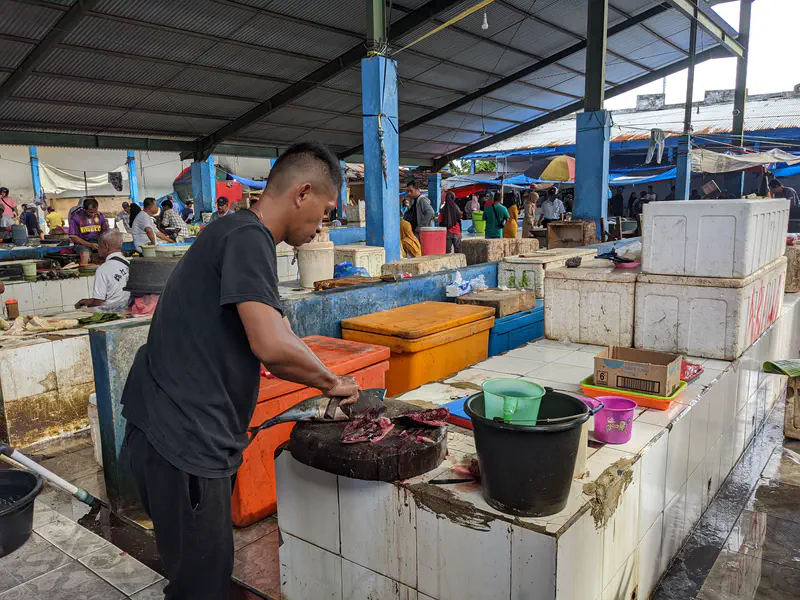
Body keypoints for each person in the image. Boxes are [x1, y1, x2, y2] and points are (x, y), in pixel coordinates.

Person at [119, 141, 360, 600]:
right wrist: (331, 381)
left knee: (194, 574)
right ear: (302, 193)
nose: (322, 226)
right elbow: (271, 345)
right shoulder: (249, 237)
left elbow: (269, 327)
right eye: (326, 212)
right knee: (202, 588)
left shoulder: (233, 231)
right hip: (184, 439)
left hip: (163, 428)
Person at [74, 230, 130, 310]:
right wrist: (89, 301)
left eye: (99, 246)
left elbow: (98, 303)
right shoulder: (128, 264)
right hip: (128, 308)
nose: (97, 249)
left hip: (111, 312)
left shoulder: (103, 269)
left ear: (106, 246)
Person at [69, 197, 108, 265]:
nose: (93, 214)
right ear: (84, 209)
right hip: (81, 244)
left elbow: (105, 232)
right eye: (90, 212)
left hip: (97, 243)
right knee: (85, 255)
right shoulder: (76, 216)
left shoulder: (99, 215)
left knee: (111, 253)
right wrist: (89, 244)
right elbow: (73, 237)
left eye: (95, 212)